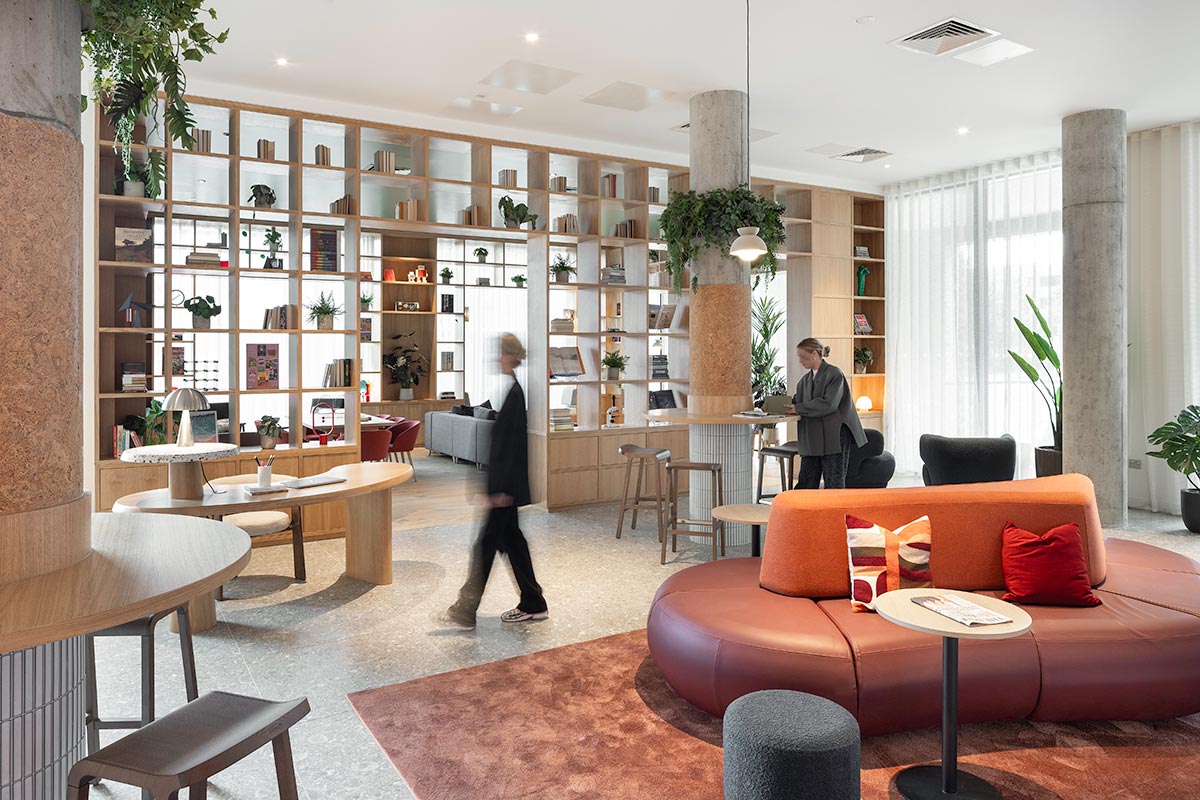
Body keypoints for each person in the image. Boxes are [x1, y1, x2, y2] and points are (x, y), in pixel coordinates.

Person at [438, 333, 548, 630]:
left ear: (510, 356)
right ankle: (534, 602)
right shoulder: (513, 391)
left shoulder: (515, 395)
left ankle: (465, 610)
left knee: (485, 546)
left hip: (504, 490)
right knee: (513, 543)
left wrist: (499, 491)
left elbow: (511, 449)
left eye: (500, 353)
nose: (497, 359)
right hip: (505, 488)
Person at [785, 337, 867, 489]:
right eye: (799, 357)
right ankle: (802, 505)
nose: (800, 361)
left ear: (814, 354)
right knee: (806, 481)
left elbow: (829, 404)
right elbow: (797, 401)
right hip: (813, 436)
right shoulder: (804, 381)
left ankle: (834, 506)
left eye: (803, 357)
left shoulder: (835, 374)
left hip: (835, 434)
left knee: (834, 480)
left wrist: (798, 408)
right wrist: (774, 405)